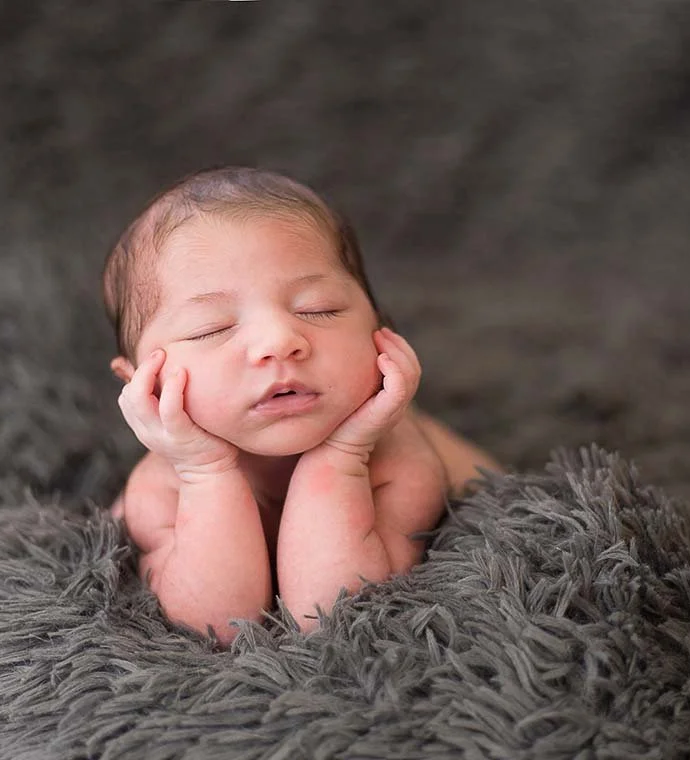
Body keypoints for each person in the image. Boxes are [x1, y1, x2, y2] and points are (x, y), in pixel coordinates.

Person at [102, 166, 502, 645]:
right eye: (211, 328)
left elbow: (334, 614)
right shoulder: (159, 489)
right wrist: (205, 472)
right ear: (143, 386)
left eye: (318, 309)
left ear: (382, 332)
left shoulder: (401, 461)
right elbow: (218, 624)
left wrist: (343, 454)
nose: (279, 341)